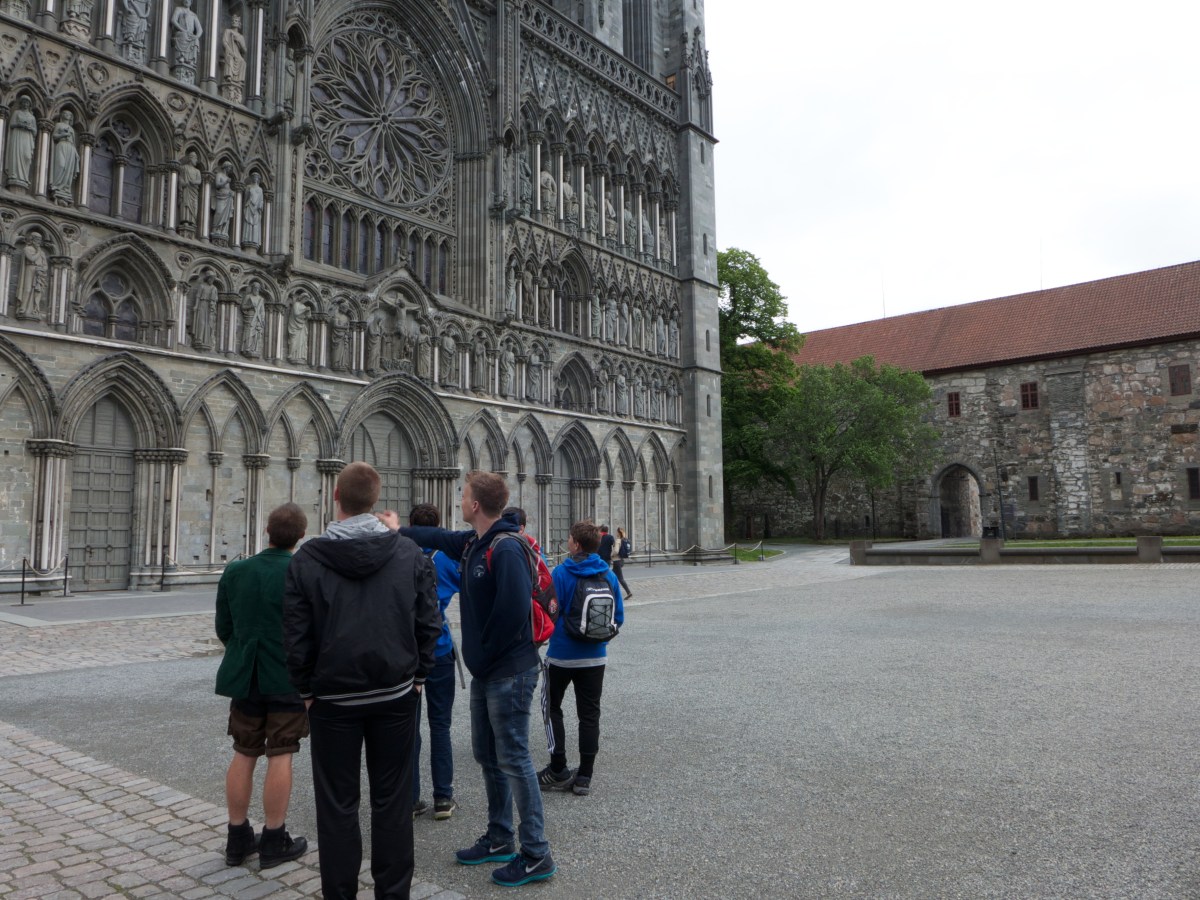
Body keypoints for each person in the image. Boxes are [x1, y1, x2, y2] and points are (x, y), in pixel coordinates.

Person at [284, 462, 441, 900]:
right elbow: (430, 622)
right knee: (392, 801)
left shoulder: (306, 559)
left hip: (332, 701)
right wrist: (419, 676)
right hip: (395, 695)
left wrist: (306, 690)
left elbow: (295, 635)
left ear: (336, 496)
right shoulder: (408, 553)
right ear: (376, 501)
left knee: (337, 805)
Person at [399, 471, 557, 888]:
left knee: (515, 758)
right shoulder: (473, 542)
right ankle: (500, 837)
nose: (459, 500)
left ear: (474, 505)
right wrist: (397, 529)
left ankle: (537, 853)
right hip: (488, 672)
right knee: (487, 755)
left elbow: (512, 612)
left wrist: (483, 655)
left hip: (509, 671)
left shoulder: (505, 548)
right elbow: (435, 536)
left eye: (463, 495)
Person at [214, 503, 310, 870]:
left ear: (267, 531)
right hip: (286, 676)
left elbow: (225, 627)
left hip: (246, 676)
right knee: (281, 753)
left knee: (244, 751)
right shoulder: (301, 571)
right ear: (301, 536)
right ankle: (273, 839)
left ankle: (237, 837)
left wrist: (243, 652)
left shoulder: (237, 570)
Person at [378, 503, 463, 821]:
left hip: (404, 651)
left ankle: (410, 798)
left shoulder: (396, 556)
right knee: (440, 725)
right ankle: (443, 798)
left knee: (407, 728)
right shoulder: (447, 560)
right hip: (438, 648)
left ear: (410, 526)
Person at [538, 520, 624, 796]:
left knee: (552, 708)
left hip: (562, 656)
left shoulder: (562, 573)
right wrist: (598, 640)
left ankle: (557, 768)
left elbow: (551, 611)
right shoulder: (608, 574)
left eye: (569, 539)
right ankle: (585, 776)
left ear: (575, 543)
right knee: (589, 715)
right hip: (595, 658)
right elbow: (618, 617)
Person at [613, 527, 633, 600]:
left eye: (616, 532)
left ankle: (628, 592)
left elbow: (616, 551)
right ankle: (612, 591)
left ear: (618, 533)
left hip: (617, 561)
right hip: (621, 561)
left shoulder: (618, 540)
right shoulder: (624, 540)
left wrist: (611, 555)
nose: (616, 533)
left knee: (620, 578)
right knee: (611, 576)